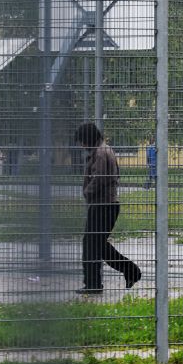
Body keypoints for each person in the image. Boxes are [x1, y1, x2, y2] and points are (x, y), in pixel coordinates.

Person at [75, 122, 141, 295]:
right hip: (105, 205)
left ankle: (94, 284)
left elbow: (100, 178)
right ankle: (130, 272)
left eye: (82, 141)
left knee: (91, 245)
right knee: (96, 244)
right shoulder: (103, 150)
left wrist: (87, 192)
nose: (81, 145)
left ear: (88, 139)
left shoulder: (101, 153)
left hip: (103, 205)